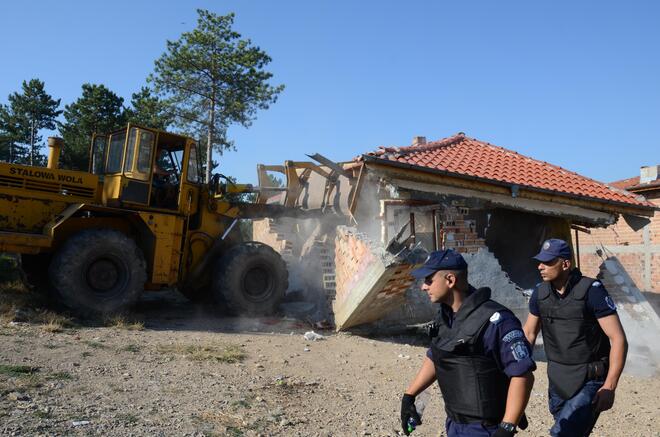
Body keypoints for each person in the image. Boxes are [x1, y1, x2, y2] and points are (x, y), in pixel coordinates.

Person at [401, 249, 535, 437]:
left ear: (450, 280)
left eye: (429, 280)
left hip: (485, 428)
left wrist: (507, 427)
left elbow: (522, 375)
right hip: (455, 424)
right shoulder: (445, 317)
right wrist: (409, 396)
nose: (423, 287)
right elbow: (436, 356)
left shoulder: (496, 321)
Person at [522, 238, 628, 436]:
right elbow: (528, 333)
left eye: (547, 262)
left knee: (562, 434)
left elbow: (618, 339)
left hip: (589, 380)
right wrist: (517, 368)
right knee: (567, 429)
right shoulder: (540, 293)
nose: (540, 266)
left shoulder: (592, 291)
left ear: (565, 264)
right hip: (558, 379)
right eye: (540, 261)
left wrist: (609, 386)